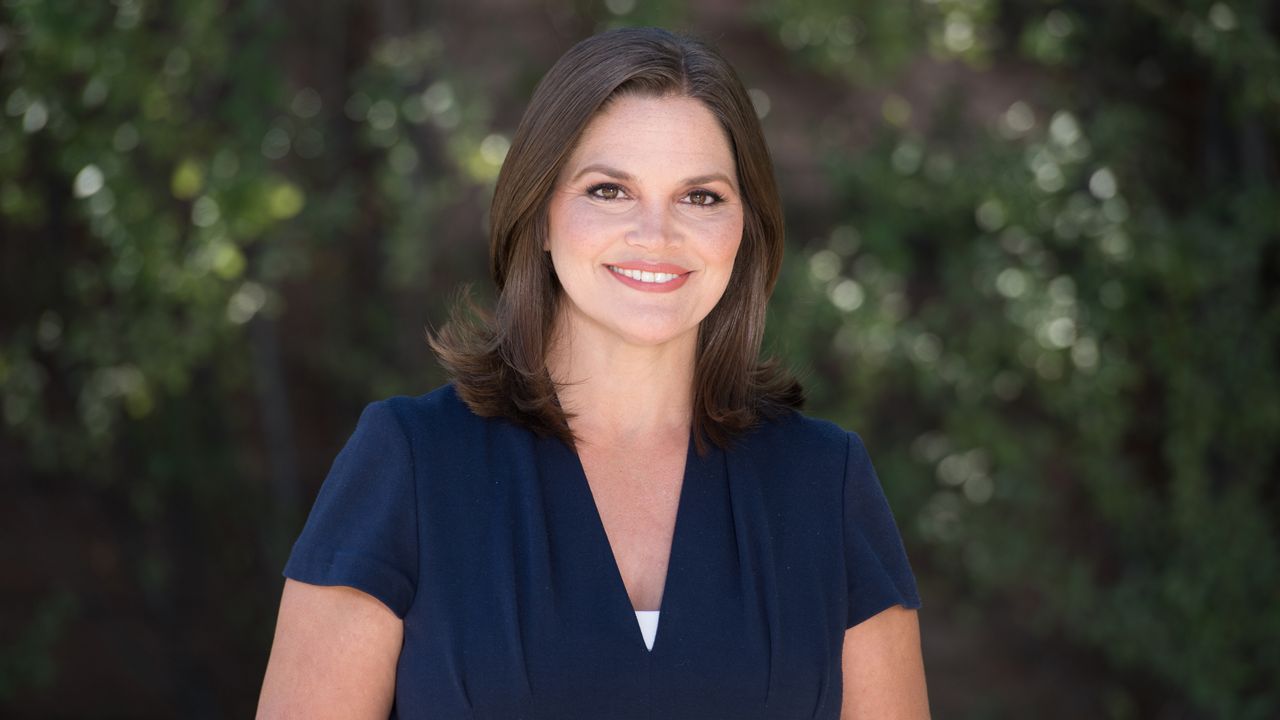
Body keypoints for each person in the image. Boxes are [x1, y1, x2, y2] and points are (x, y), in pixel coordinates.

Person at [258, 26, 928, 719]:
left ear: (747, 228)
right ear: (541, 214)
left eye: (701, 197)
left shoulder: (825, 482)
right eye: (609, 190)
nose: (656, 234)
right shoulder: (411, 464)